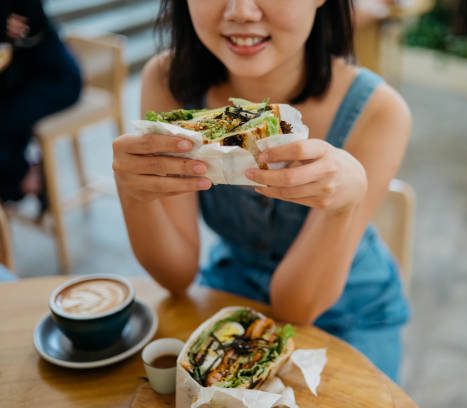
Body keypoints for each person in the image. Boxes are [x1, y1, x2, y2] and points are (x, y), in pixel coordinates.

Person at [112, 0, 411, 381]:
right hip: (231, 285)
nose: (240, 11)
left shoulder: (379, 112)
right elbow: (176, 275)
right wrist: (134, 193)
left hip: (349, 313)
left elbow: (295, 309)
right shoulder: (170, 81)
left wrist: (342, 209)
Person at [0, 0, 82, 208]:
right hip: (22, 81)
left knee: (4, 122)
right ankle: (24, 178)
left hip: (57, 80)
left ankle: (27, 178)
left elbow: (30, 18)